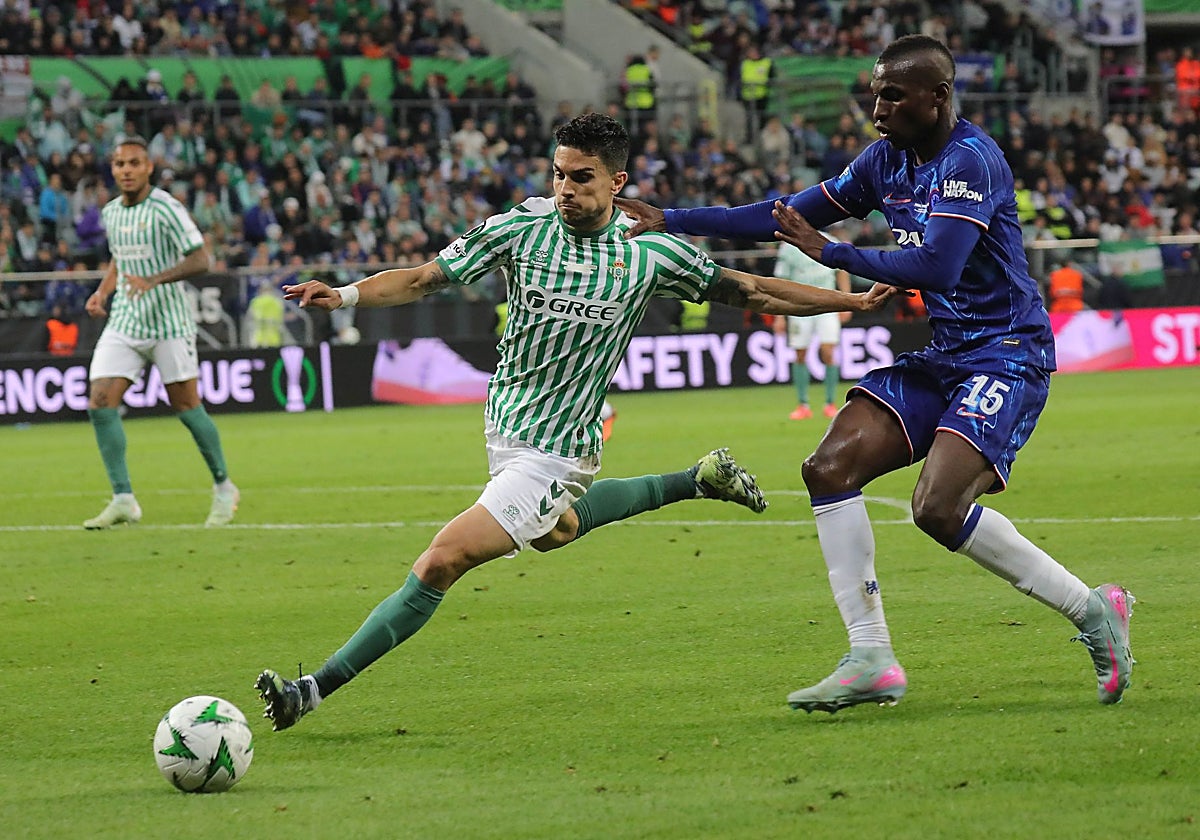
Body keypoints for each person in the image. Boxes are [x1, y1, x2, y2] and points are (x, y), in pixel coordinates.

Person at [254, 113, 897, 731]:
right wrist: (343, 294)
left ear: (616, 184)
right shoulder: (520, 230)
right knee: (556, 530)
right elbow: (423, 279)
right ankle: (698, 478)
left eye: (581, 177)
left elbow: (754, 290)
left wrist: (851, 299)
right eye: (559, 174)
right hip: (505, 436)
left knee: (440, 561)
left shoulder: (647, 252)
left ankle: (312, 689)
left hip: (555, 450)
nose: (564, 188)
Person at [614, 35, 1134, 711]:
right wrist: (673, 219)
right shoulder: (885, 160)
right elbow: (785, 216)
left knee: (937, 509)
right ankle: (870, 657)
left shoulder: (971, 161)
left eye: (893, 93)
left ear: (938, 97)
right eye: (875, 92)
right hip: (947, 354)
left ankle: (1093, 611)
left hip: (1008, 352)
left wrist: (833, 252)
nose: (877, 105)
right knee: (828, 467)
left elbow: (937, 267)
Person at [83, 135, 239, 530]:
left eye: (135, 163)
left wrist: (155, 279)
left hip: (169, 323)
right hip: (126, 320)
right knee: (100, 400)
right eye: (120, 165)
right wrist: (102, 291)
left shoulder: (167, 208)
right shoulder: (112, 212)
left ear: (148, 167)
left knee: (187, 407)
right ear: (113, 169)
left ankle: (224, 487)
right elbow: (121, 258)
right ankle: (123, 499)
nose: (127, 171)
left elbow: (202, 258)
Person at [773, 241, 851, 420]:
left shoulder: (829, 240)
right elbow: (780, 280)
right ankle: (803, 405)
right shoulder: (788, 247)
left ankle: (830, 403)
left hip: (828, 304)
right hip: (799, 306)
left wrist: (846, 300)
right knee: (800, 353)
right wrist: (779, 315)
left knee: (828, 351)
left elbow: (842, 271)